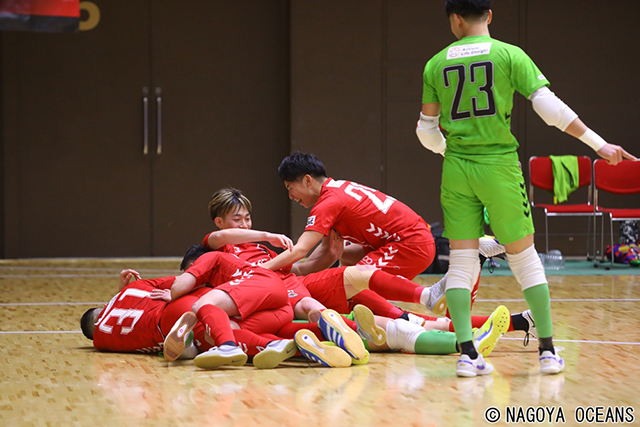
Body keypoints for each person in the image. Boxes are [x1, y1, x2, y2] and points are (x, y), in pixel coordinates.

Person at [416, 0, 637, 377]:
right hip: (499, 166)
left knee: (462, 262)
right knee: (524, 258)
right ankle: (547, 351)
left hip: (456, 169)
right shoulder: (509, 54)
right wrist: (599, 145)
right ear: (489, 15)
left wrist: (449, 152)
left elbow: (426, 131)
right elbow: (550, 109)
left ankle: (468, 355)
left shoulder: (435, 64)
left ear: (455, 19)